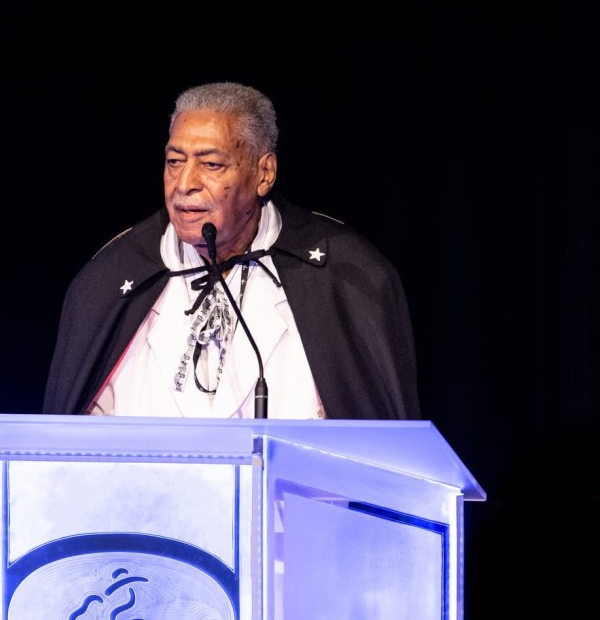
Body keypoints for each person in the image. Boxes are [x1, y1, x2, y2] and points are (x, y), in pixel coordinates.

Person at [42, 81, 421, 421]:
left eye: (211, 164)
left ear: (263, 174)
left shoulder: (345, 276)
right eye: (174, 162)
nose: (184, 184)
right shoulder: (110, 279)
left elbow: (379, 446)